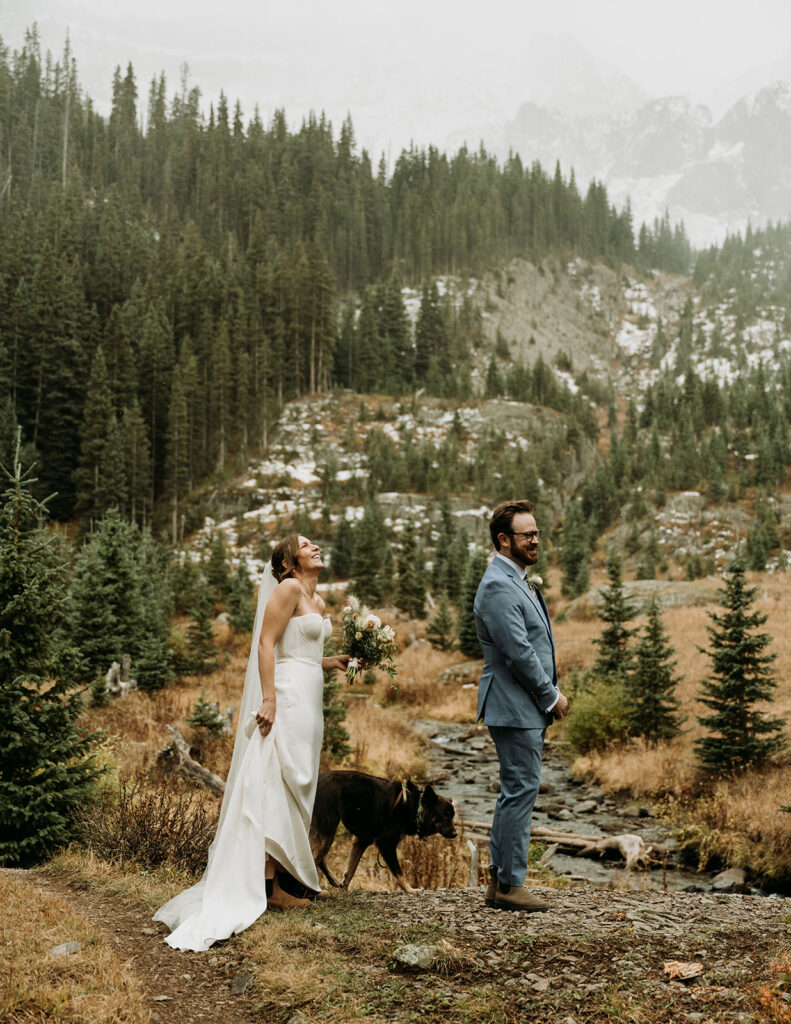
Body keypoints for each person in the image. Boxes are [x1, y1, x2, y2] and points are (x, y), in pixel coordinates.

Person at [153, 534, 350, 951]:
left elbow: (302, 651)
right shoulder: (289, 588)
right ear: (289, 561)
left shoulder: (314, 598)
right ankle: (265, 886)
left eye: (317, 542)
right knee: (274, 778)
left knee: (298, 782)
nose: (316, 546)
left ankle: (280, 878)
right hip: (289, 696)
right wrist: (270, 698)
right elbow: (266, 644)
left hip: (310, 699)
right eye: (307, 544)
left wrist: (335, 662)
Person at [474, 500, 568, 913]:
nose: (534, 540)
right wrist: (551, 695)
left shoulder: (518, 579)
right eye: (527, 534)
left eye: (536, 533)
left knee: (515, 790)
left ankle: (499, 882)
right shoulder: (497, 584)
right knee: (521, 790)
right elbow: (518, 651)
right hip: (514, 704)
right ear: (504, 540)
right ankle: (511, 885)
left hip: (520, 706)